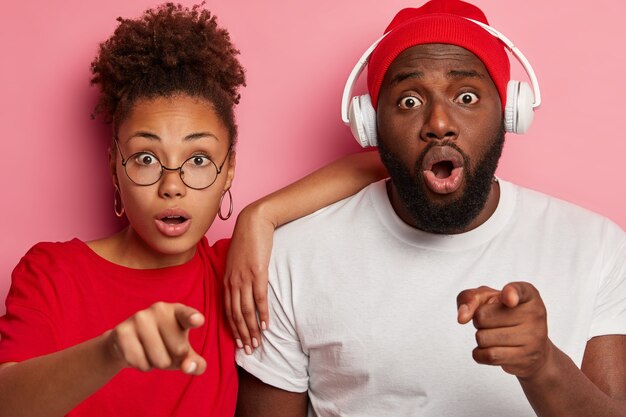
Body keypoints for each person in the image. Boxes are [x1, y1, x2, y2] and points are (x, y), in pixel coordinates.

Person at [234, 0, 626, 416]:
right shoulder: (291, 259)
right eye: (409, 101)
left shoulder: (597, 248)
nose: (439, 122)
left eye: (467, 95)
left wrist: (542, 365)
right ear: (370, 123)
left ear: (510, 113)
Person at [0, 4, 386, 417]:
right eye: (146, 158)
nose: (172, 186)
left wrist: (260, 215)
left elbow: (391, 160)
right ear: (114, 164)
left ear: (229, 170)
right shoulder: (52, 272)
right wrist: (111, 351)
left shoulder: (234, 275)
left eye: (198, 160)